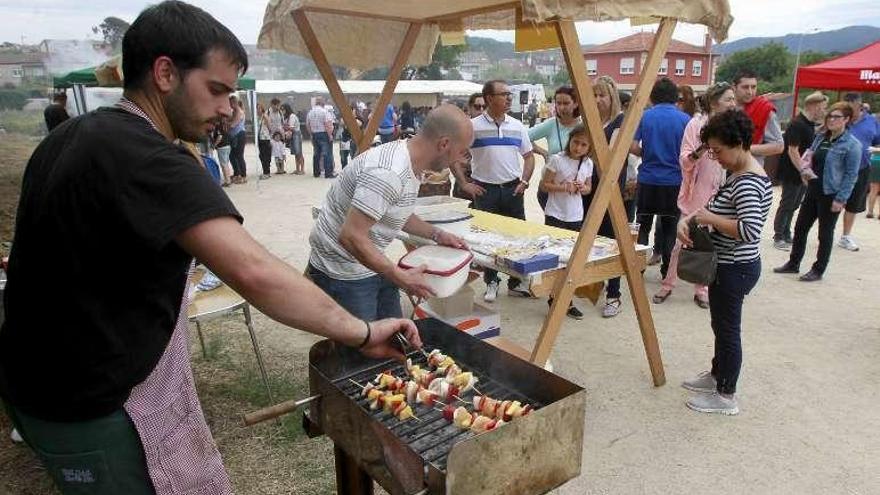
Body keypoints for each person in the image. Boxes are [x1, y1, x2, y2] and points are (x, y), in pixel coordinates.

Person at [0, 3, 421, 494]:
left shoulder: (70, 136)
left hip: (32, 388)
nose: (228, 108)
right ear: (164, 73)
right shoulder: (154, 161)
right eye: (217, 90)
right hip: (93, 404)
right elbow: (256, 273)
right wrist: (362, 330)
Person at [308, 105, 473, 320]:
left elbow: (396, 212)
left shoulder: (410, 161)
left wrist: (438, 234)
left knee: (394, 338)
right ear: (444, 144)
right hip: (343, 271)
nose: (461, 160)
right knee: (364, 348)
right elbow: (351, 237)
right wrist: (401, 277)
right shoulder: (389, 173)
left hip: (369, 261)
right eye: (462, 152)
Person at [679, 109, 771, 415]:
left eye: (718, 151)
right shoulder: (740, 174)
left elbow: (749, 230)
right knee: (721, 325)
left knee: (728, 330)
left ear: (739, 143)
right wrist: (692, 218)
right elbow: (718, 207)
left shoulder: (747, 182)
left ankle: (726, 395)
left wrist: (709, 218)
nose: (715, 158)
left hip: (735, 268)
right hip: (729, 265)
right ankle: (717, 375)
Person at [654, 82, 736, 308]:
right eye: (729, 99)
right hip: (697, 188)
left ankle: (702, 288)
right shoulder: (695, 124)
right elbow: (685, 159)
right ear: (714, 102)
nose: (733, 103)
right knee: (684, 239)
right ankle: (668, 283)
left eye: (733, 100)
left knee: (712, 240)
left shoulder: (732, 126)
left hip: (721, 188)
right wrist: (704, 147)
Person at [456, 80, 535, 303]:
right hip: (485, 192)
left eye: (510, 94)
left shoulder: (517, 126)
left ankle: (515, 282)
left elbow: (529, 157)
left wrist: (526, 181)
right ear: (489, 98)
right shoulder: (473, 126)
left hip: (513, 190)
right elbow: (454, 155)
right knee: (488, 240)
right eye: (504, 94)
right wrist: (464, 183)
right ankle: (492, 281)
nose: (510, 98)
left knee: (517, 237)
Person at [774, 102, 863, 282]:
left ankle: (818, 269)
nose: (831, 120)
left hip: (831, 193)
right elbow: (809, 155)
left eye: (836, 117)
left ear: (846, 119)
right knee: (800, 228)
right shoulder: (821, 137)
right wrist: (804, 171)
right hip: (813, 189)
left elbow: (851, 175)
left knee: (825, 233)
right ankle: (793, 263)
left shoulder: (852, 145)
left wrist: (841, 199)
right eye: (829, 116)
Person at [630, 77, 691, 282]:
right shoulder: (685, 120)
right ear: (675, 97)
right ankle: (667, 271)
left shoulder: (646, 117)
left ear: (653, 96)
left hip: (648, 178)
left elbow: (632, 145)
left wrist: (646, 153)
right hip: (674, 181)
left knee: (643, 225)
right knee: (669, 228)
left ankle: (637, 269)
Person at [588, 76, 631, 318]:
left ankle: (614, 294)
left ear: (612, 96)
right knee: (591, 242)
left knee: (611, 243)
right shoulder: (591, 121)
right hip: (587, 191)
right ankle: (594, 285)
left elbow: (612, 159)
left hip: (611, 192)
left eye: (601, 95)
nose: (597, 100)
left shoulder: (620, 122)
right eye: (593, 95)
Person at [540, 124, 593, 319]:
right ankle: (555, 299)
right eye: (575, 142)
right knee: (555, 257)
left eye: (583, 145)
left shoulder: (588, 164)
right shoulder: (557, 160)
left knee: (571, 258)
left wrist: (581, 187)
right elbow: (545, 185)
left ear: (589, 148)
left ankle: (566, 300)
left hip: (575, 215)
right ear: (569, 140)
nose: (578, 147)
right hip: (555, 213)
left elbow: (589, 187)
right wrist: (563, 187)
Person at [772, 91, 827, 250]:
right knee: (788, 203)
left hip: (802, 171)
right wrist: (803, 170)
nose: (824, 111)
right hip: (792, 171)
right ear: (813, 106)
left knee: (795, 203)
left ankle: (786, 231)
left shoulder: (808, 124)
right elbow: (792, 150)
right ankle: (779, 235)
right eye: (822, 107)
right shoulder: (797, 124)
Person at [837, 93, 880, 251]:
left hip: (861, 168)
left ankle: (845, 236)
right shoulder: (841, 119)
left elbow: (878, 143)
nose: (847, 110)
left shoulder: (872, 122)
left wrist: (874, 150)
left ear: (859, 105)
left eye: (850, 107)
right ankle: (826, 231)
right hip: (838, 168)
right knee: (831, 201)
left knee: (853, 204)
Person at [528, 86, 581, 210]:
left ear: (576, 104)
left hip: (574, 189)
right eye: (558, 103)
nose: (562, 107)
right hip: (550, 188)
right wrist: (543, 152)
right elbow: (523, 137)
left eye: (566, 103)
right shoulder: (551, 124)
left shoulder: (584, 126)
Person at [733, 70, 784, 166]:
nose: (750, 92)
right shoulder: (726, 108)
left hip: (751, 168)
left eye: (753, 87)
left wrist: (743, 149)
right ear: (734, 87)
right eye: (745, 87)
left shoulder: (765, 110)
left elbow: (779, 146)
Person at [451, 93, 485, 203]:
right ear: (470, 108)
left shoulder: (493, 129)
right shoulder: (462, 130)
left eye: (484, 107)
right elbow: (451, 159)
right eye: (477, 106)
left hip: (488, 187)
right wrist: (464, 184)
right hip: (466, 186)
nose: (481, 110)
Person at [306, 96, 336, 178]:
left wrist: (311, 134)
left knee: (316, 154)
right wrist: (330, 135)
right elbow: (328, 124)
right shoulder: (324, 112)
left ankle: (316, 172)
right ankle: (328, 173)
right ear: (322, 102)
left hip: (314, 134)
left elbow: (308, 125)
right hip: (324, 133)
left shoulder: (310, 112)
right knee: (327, 154)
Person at [228, 94, 248, 183]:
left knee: (239, 156)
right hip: (233, 136)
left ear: (234, 103)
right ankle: (237, 173)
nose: (229, 105)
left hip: (239, 135)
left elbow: (233, 124)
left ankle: (243, 176)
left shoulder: (239, 112)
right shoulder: (234, 111)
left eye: (230, 103)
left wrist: (226, 124)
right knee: (232, 156)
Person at [282, 102, 305, 175]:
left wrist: (284, 127)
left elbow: (291, 127)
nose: (282, 111)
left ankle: (302, 169)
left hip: (296, 134)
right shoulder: (286, 117)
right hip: (293, 135)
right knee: (295, 153)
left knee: (299, 152)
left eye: (283, 109)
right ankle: (297, 169)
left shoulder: (292, 116)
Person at [212, 116, 233, 186]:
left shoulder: (219, 126)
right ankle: (228, 179)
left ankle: (227, 181)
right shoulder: (226, 125)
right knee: (226, 163)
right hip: (228, 146)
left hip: (222, 147)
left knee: (223, 165)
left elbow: (219, 137)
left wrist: (214, 145)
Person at [256, 102, 273, 179]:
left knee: (265, 155)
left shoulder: (265, 116)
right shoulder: (257, 117)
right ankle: (265, 171)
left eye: (259, 108)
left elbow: (269, 127)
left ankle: (267, 172)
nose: (258, 110)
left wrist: (269, 135)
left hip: (265, 138)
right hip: (259, 138)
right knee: (261, 156)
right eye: (257, 108)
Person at [867, 145, 880, 218]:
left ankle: (870, 212)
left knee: (873, 190)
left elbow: (869, 149)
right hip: (875, 161)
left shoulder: (874, 133)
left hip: (875, 161)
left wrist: (875, 149)